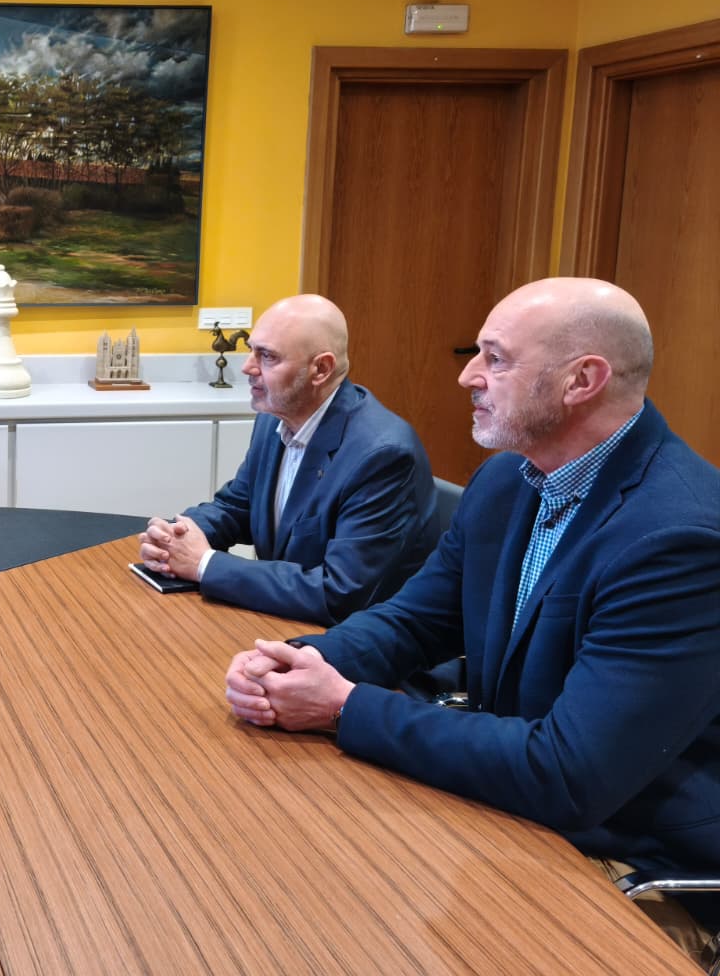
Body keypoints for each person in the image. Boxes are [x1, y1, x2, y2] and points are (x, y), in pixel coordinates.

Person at [224, 278, 720, 960]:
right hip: (510, 813)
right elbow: (414, 621)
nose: (468, 376)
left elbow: (569, 776)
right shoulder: (507, 479)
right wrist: (301, 660)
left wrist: (343, 708)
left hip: (632, 865)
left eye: (496, 358)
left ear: (583, 380)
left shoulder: (678, 537)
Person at [139, 294, 436, 624]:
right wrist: (177, 537)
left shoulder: (383, 455)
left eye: (267, 357)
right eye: (252, 350)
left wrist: (204, 564)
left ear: (320, 369)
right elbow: (240, 505)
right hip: (279, 620)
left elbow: (338, 594)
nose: (247, 367)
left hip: (351, 644)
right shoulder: (275, 417)